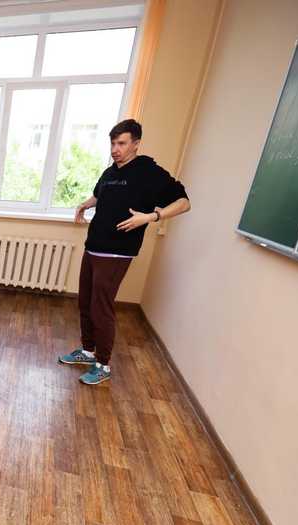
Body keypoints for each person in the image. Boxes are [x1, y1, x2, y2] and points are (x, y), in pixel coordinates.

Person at [59, 119, 190, 385]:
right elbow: (100, 195)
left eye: (121, 143)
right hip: (94, 245)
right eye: (112, 143)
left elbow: (184, 202)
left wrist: (152, 216)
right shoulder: (110, 172)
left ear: (136, 144)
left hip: (117, 252)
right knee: (85, 302)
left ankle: (103, 365)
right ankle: (88, 351)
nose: (115, 149)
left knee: (101, 307)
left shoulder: (148, 172)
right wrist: (85, 205)